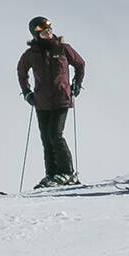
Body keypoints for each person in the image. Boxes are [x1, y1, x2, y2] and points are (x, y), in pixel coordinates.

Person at [17, 16, 85, 187]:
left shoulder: (63, 49)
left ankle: (67, 173)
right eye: (44, 32)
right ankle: (52, 174)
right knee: (46, 138)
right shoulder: (31, 54)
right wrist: (27, 93)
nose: (48, 33)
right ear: (36, 34)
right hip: (42, 101)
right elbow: (21, 71)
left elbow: (80, 64)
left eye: (49, 30)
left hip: (62, 98)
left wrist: (77, 84)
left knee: (55, 134)